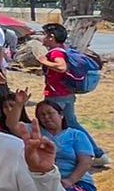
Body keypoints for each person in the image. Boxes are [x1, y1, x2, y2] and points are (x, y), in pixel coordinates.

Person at [38, 22, 105, 161]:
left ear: (51, 37)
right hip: (67, 94)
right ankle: (96, 153)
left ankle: (50, 153)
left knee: (47, 122)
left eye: (44, 35)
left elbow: (61, 67)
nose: (42, 38)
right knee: (72, 123)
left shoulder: (55, 52)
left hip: (56, 96)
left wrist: (44, 61)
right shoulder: (64, 49)